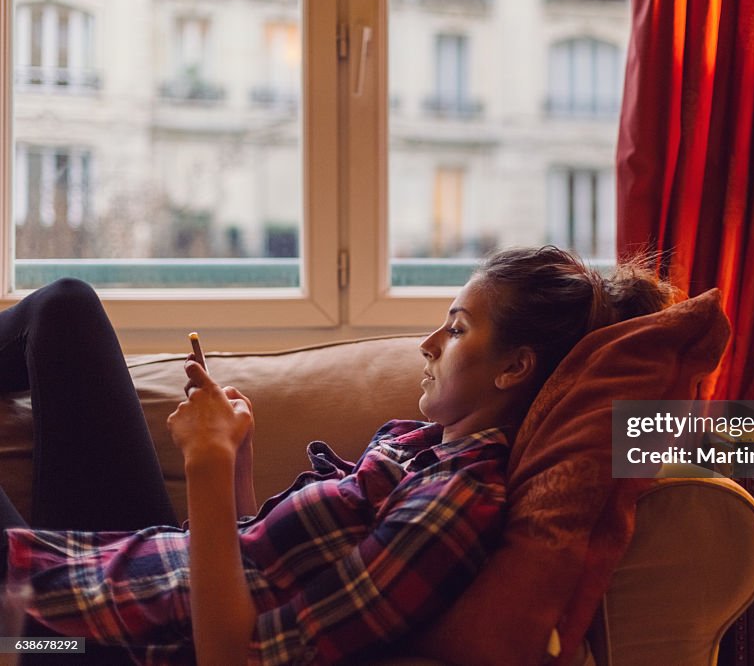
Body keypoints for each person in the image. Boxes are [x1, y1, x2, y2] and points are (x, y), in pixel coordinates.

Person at [0, 246, 675, 665]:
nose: (429, 343)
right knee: (64, 306)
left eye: (459, 327)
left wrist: (204, 462)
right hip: (136, 569)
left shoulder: (454, 507)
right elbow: (252, 567)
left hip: (88, 643)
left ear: (515, 367)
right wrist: (236, 452)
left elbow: (233, 655)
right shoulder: (419, 448)